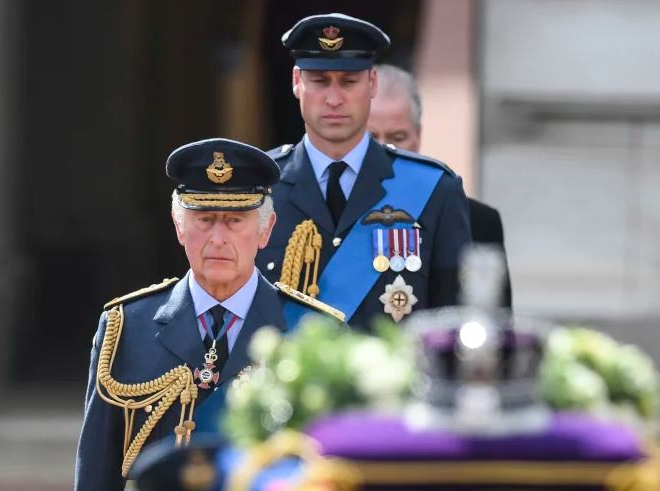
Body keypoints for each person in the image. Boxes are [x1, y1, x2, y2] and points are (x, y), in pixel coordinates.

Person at [74, 138, 343, 491]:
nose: (217, 238)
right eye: (203, 219)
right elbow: (97, 471)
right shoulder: (125, 327)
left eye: (234, 220)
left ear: (266, 229)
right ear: (178, 225)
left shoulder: (314, 331)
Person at [257, 13, 472, 330]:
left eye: (348, 81)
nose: (333, 98)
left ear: (371, 83)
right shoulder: (256, 189)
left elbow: (454, 321)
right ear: (296, 82)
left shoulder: (434, 189)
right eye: (319, 81)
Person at [367, 63, 512, 308]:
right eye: (372, 138)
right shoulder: (329, 212)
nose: (386, 150)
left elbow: (495, 327)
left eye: (398, 137)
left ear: (418, 136)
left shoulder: (478, 221)